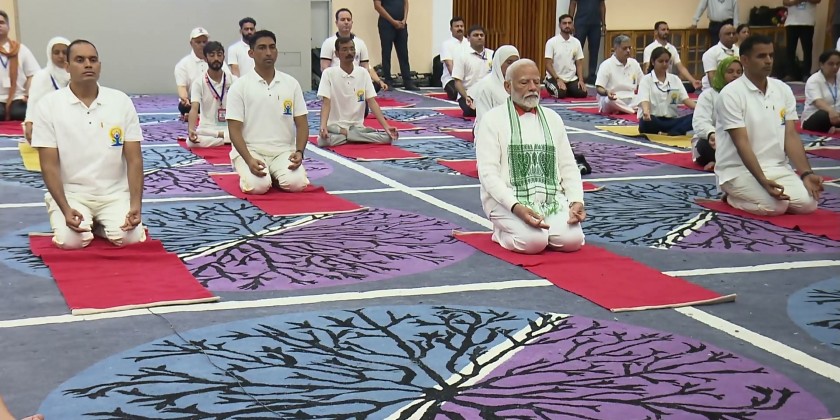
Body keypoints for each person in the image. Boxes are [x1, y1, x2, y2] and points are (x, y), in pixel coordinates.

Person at [30, 40, 146, 249]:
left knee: (130, 239)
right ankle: (63, 211)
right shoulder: (49, 105)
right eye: (80, 60)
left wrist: (135, 204)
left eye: (93, 60)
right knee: (71, 242)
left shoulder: (120, 101)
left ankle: (100, 225)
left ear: (99, 65)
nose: (88, 64)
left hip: (114, 193)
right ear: (67, 66)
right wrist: (65, 208)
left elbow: (135, 159)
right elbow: (48, 165)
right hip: (72, 194)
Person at [476, 59, 585, 255]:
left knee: (572, 241)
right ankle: (500, 233)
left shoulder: (552, 119)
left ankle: (543, 226)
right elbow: (488, 174)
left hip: (549, 199)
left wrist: (576, 200)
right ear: (507, 87)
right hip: (505, 201)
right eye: (524, 82)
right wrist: (515, 206)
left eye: (536, 82)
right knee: (533, 243)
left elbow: (568, 165)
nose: (533, 88)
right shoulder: (492, 120)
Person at [716, 35, 823, 216]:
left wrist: (806, 173)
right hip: (737, 170)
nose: (768, 61)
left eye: (771, 55)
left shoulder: (782, 89)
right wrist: (762, 180)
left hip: (777, 167)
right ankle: (730, 197)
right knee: (776, 207)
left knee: (808, 205)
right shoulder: (731, 94)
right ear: (745, 60)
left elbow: (790, 135)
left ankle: (755, 194)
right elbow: (742, 143)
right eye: (761, 56)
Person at [226, 30, 309, 195]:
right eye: (262, 48)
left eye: (272, 47)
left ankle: (276, 174)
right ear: (251, 53)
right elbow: (234, 129)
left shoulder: (291, 83)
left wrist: (299, 151)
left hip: (283, 151)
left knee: (297, 184)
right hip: (251, 151)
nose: (268, 52)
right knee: (258, 187)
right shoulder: (239, 86)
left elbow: (302, 124)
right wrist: (248, 159)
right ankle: (249, 171)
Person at [318, 37, 397, 147]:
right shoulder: (328, 74)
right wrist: (323, 126)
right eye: (344, 49)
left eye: (352, 49)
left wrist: (386, 126)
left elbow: (372, 102)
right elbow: (326, 103)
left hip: (357, 127)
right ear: (337, 53)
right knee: (323, 141)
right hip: (335, 127)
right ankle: (355, 137)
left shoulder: (363, 73)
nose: (349, 52)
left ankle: (350, 136)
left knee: (387, 138)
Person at [692, 56, 742, 170]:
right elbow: (700, 121)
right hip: (714, 142)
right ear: (721, 73)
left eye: (739, 72)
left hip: (738, 140)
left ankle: (722, 162)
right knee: (703, 145)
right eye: (730, 72)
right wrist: (711, 134)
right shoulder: (708, 95)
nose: (735, 75)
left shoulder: (745, 96)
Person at [319, 8, 387, 91]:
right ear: (336, 23)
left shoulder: (360, 43)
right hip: (336, 83)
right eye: (343, 20)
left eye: (348, 19)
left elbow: (366, 67)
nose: (346, 22)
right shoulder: (328, 43)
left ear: (352, 22)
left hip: (356, 83)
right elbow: (324, 68)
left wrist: (379, 81)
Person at [637, 47, 696, 136]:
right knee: (647, 122)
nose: (664, 64)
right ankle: (674, 131)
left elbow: (685, 99)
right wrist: (646, 111)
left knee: (696, 117)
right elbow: (644, 100)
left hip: (671, 120)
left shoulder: (675, 79)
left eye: (667, 61)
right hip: (653, 119)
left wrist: (700, 109)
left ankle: (673, 130)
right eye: (661, 61)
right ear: (653, 62)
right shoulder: (646, 80)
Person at [187, 41, 235, 148]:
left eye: (219, 55)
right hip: (207, 129)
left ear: (223, 57)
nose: (216, 58)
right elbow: (194, 108)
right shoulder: (198, 82)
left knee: (246, 134)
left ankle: (223, 138)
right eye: (212, 55)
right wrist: (191, 130)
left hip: (229, 126)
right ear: (205, 58)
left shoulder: (234, 80)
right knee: (191, 142)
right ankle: (227, 139)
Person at [23, 36, 70, 142]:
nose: (61, 56)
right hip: (47, 121)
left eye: (65, 52)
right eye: (56, 52)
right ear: (50, 54)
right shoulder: (41, 76)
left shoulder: (76, 75)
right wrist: (29, 122)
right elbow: (33, 102)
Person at [0, 11, 39, 121]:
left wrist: (28, 95)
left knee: (20, 113)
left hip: (18, 97)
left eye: (1, 22)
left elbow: (33, 75)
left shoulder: (21, 49)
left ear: (8, 27)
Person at [469, 45, 520, 128]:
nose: (513, 66)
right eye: (509, 62)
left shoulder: (521, 84)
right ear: (499, 63)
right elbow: (483, 119)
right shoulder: (486, 86)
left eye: (516, 63)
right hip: (490, 129)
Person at [642, 21, 701, 93]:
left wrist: (693, 81)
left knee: (689, 88)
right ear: (656, 32)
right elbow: (647, 69)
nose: (666, 32)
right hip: (654, 83)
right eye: (663, 30)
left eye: (667, 29)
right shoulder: (649, 48)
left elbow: (681, 67)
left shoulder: (672, 48)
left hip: (668, 82)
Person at [373, 0, 418, 90]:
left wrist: (404, 19)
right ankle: (388, 81)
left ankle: (408, 82)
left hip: (401, 25)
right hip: (386, 24)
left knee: (404, 54)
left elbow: (405, 3)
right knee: (386, 53)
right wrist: (392, 21)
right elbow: (377, 6)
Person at [452, 25, 494, 118]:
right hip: (469, 95)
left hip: (488, 94)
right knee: (473, 112)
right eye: (475, 35)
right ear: (468, 38)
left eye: (481, 35)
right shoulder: (461, 56)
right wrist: (466, 97)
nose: (479, 37)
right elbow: (457, 82)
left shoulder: (492, 54)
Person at [595, 34, 643, 115]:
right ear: (615, 48)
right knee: (608, 101)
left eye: (629, 48)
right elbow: (599, 87)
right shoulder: (606, 65)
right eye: (624, 48)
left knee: (647, 98)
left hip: (631, 99)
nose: (628, 51)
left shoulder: (634, 63)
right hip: (613, 98)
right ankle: (632, 110)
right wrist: (607, 92)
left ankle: (625, 109)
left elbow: (643, 83)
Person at [543, 14, 587, 99]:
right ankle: (562, 89)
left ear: (572, 25)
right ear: (560, 25)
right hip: (554, 78)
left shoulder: (576, 42)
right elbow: (548, 64)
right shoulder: (551, 42)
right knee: (560, 94)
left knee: (582, 93)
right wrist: (558, 79)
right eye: (564, 23)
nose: (567, 25)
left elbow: (579, 63)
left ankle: (568, 89)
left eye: (569, 23)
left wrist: (581, 80)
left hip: (571, 78)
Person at [801, 50, 840, 133]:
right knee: (823, 115)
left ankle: (835, 129)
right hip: (816, 116)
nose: (835, 67)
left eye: (838, 64)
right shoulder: (814, 80)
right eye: (831, 64)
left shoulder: (839, 76)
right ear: (822, 65)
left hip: (837, 115)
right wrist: (831, 111)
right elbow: (818, 102)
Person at [174, 27, 210, 119]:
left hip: (214, 100)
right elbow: (182, 87)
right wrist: (185, 99)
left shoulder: (216, 61)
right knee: (184, 106)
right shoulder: (183, 64)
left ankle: (194, 116)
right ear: (191, 43)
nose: (202, 45)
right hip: (194, 102)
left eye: (204, 42)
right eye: (198, 42)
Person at [569, 0, 606, 84]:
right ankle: (574, 75)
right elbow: (572, 3)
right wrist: (570, 22)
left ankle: (592, 76)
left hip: (596, 24)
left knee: (594, 50)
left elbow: (602, 5)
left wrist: (604, 24)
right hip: (580, 22)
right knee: (576, 50)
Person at [783, 0, 820, 82]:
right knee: (790, 50)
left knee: (807, 50)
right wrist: (795, 1)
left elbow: (817, 1)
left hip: (807, 22)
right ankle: (790, 74)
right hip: (791, 22)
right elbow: (785, 2)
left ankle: (806, 74)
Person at [701, 24, 739, 90]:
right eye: (728, 34)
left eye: (733, 33)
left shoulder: (739, 51)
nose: (731, 36)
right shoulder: (711, 53)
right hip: (714, 90)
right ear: (720, 36)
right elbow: (713, 80)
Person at [440, 16, 469, 100]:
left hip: (469, 78)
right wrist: (460, 81)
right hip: (451, 79)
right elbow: (449, 65)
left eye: (461, 26)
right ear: (451, 29)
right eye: (457, 26)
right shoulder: (446, 44)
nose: (459, 28)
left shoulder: (469, 43)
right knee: (456, 93)